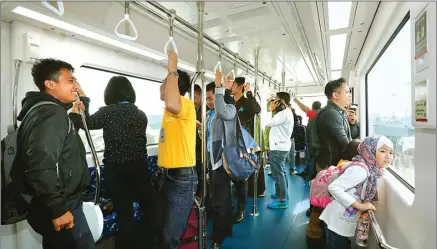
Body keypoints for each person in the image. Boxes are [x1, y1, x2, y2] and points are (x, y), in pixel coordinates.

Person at [71, 76, 161, 248]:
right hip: (139, 168)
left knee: (124, 214)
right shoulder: (140, 114)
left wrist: (83, 100)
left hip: (116, 171)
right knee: (148, 209)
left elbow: (86, 122)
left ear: (110, 93)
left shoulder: (108, 112)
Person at [16, 58, 94, 249]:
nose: (76, 85)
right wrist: (58, 209)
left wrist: (81, 101)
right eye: (70, 81)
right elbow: (40, 164)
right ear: (50, 84)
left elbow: (65, 138)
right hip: (62, 203)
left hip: (53, 200)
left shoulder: (45, 111)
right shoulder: (52, 114)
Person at [320, 135, 394, 249]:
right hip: (336, 221)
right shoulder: (361, 170)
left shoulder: (372, 171)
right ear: (370, 151)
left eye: (391, 152)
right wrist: (359, 205)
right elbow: (334, 187)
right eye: (383, 151)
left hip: (342, 220)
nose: (388, 156)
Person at [158, 51, 198, 249]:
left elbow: (174, 102)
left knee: (170, 236)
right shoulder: (169, 111)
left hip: (181, 178)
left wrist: (172, 69)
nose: (161, 86)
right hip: (166, 176)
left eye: (164, 82)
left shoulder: (185, 104)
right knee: (163, 230)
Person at [207, 72, 238, 249]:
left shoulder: (229, 109)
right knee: (223, 198)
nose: (209, 102)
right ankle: (226, 229)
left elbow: (221, 110)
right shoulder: (212, 113)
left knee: (219, 200)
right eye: (208, 99)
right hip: (214, 159)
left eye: (212, 98)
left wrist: (221, 87)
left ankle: (217, 239)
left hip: (222, 160)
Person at [265, 92, 294, 209]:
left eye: (275, 100)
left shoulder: (282, 114)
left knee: (278, 174)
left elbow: (267, 123)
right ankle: (282, 194)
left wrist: (270, 110)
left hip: (278, 147)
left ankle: (282, 200)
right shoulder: (287, 112)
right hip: (281, 146)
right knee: (280, 172)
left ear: (280, 101)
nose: (273, 102)